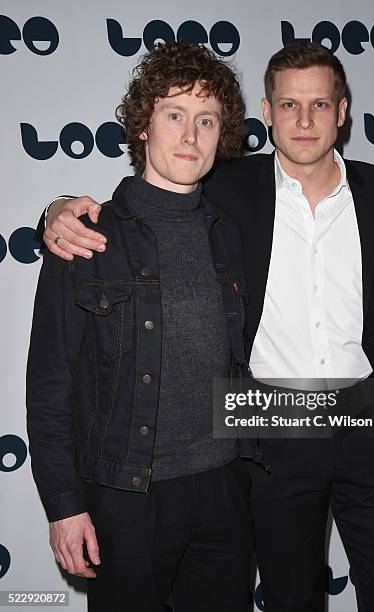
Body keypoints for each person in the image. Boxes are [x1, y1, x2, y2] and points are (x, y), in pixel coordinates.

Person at [38, 42, 374, 612]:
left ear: (342, 111)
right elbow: (140, 200)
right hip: (269, 431)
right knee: (291, 597)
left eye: (320, 104)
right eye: (288, 105)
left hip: (367, 423)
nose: (304, 121)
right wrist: (52, 212)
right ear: (267, 114)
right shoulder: (226, 189)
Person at [27, 41, 253, 612]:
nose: (190, 135)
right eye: (174, 115)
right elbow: (50, 384)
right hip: (125, 497)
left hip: (225, 488)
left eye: (207, 121)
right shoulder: (85, 237)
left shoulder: (231, 231)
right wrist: (63, 505)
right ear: (143, 129)